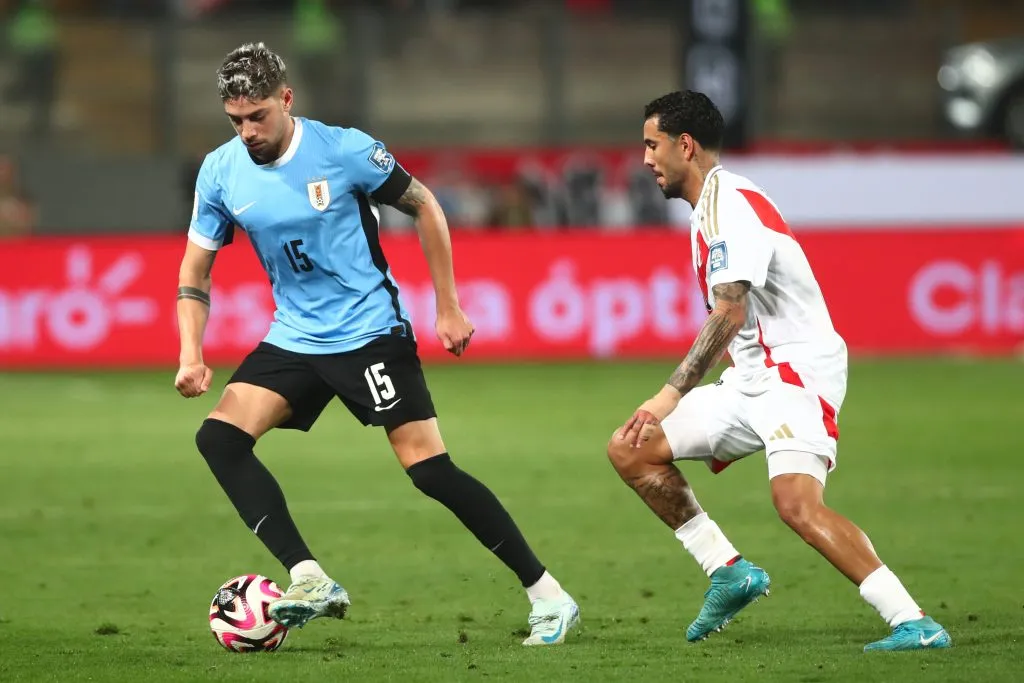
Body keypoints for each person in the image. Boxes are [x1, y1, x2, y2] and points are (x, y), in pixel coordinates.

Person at [174, 42, 578, 646]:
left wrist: (447, 305)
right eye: (236, 120)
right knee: (220, 439)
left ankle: (549, 596)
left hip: (368, 333)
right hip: (296, 336)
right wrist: (190, 353)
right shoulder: (221, 171)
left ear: (286, 99)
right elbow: (194, 273)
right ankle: (309, 577)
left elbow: (425, 206)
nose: (248, 131)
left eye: (258, 115)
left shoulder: (344, 151)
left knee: (430, 471)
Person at [605, 90, 951, 653]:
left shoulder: (728, 206)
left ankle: (913, 621)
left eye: (652, 144)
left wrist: (669, 394)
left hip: (794, 374)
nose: (644, 158)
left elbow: (729, 309)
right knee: (631, 448)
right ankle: (728, 571)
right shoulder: (711, 205)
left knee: (796, 505)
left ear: (684, 146)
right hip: (751, 377)